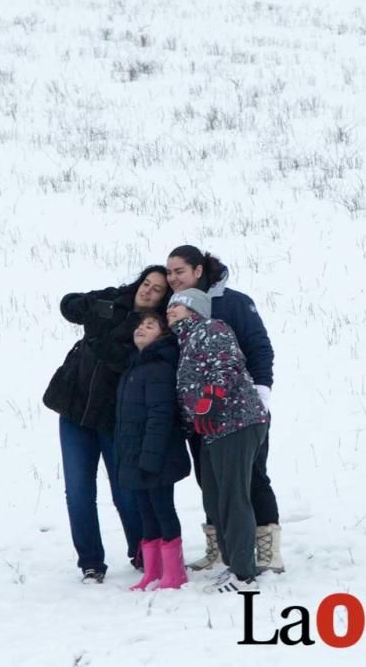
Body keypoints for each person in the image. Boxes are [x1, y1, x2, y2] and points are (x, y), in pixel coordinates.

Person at [42, 266, 171, 583]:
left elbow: (125, 360)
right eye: (146, 283)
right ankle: (90, 562)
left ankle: (142, 552)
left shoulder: (155, 328)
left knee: (126, 492)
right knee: (78, 492)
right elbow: (68, 305)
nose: (147, 290)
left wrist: (99, 336)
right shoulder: (113, 300)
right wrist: (84, 306)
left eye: (156, 289)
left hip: (114, 421)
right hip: (74, 412)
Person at [165, 246, 284, 574]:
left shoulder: (230, 304)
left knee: (251, 478)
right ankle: (223, 548)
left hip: (238, 411)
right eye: (169, 272)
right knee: (212, 481)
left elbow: (257, 348)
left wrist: (260, 394)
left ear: (198, 271)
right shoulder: (175, 310)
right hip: (204, 419)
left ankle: (265, 547)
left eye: (180, 271)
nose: (173, 278)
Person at [114, 310, 191, 591]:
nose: (142, 329)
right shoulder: (134, 366)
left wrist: (150, 457)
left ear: (163, 335)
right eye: (140, 325)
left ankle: (174, 572)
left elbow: (160, 415)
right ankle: (153, 571)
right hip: (137, 456)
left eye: (150, 326)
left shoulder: (158, 367)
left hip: (157, 457)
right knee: (146, 514)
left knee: (163, 511)